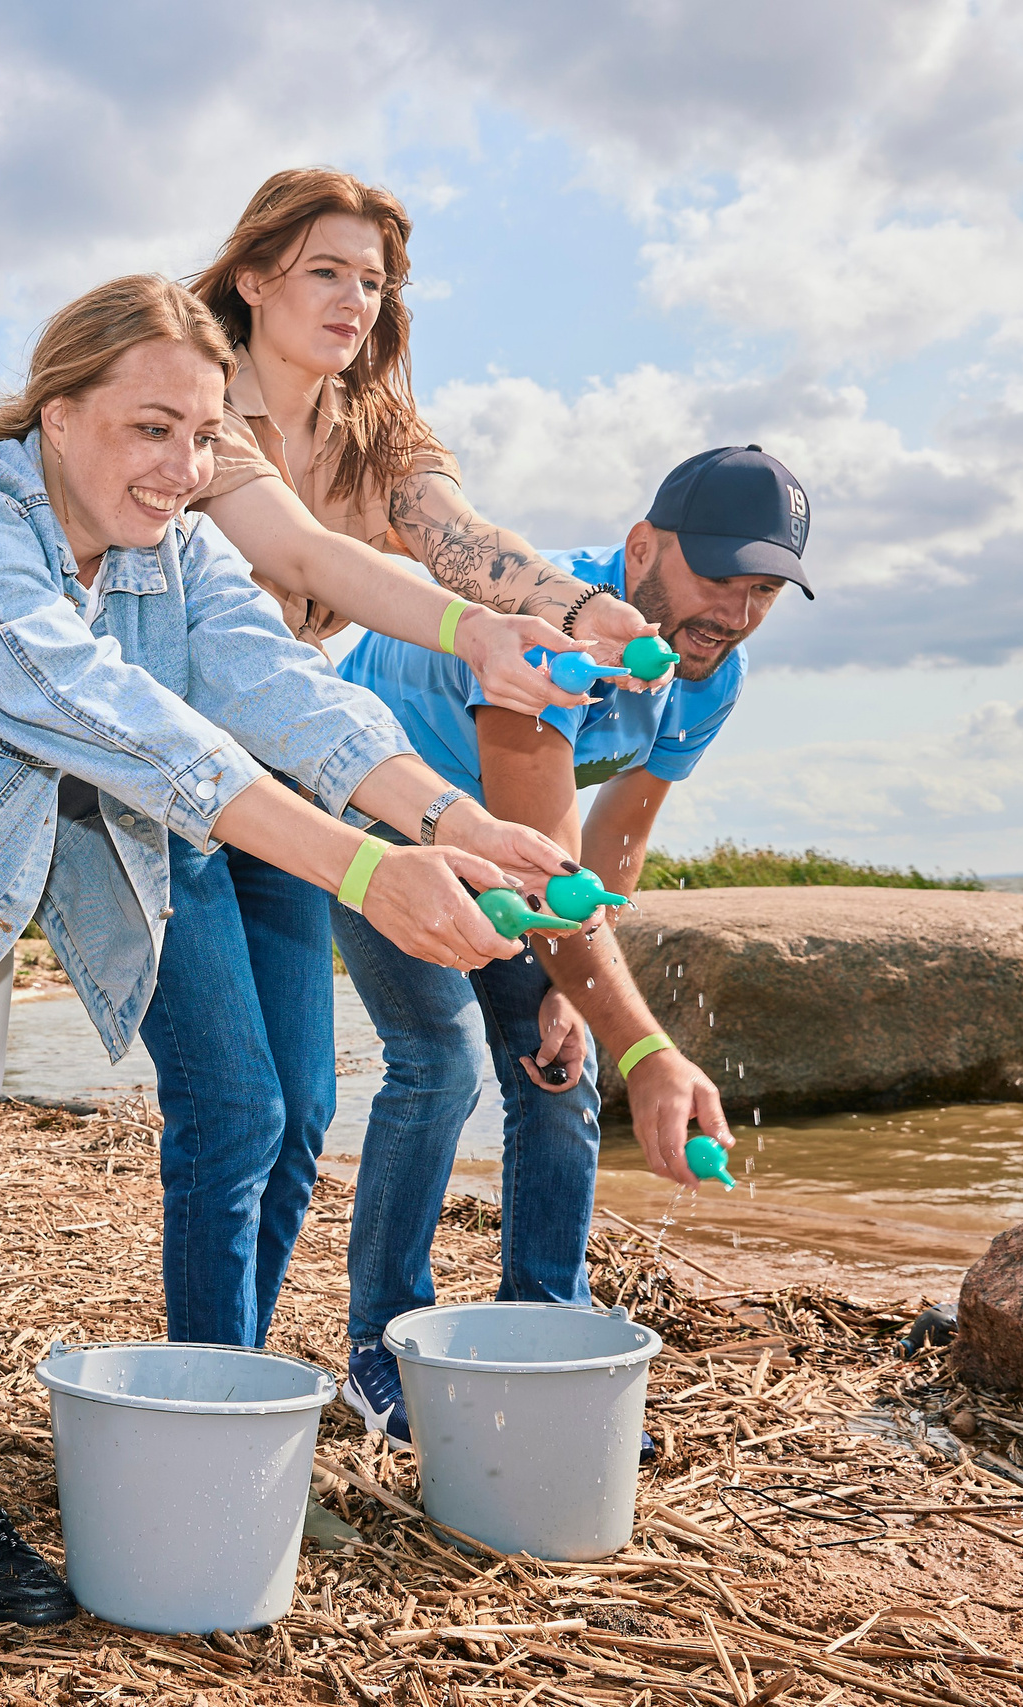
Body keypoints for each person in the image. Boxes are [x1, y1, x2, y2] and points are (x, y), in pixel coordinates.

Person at [0, 272, 572, 1622]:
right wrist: (361, 862)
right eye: (148, 428)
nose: (181, 466)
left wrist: (455, 816)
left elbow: (269, 673)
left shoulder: (163, 543)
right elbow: (107, 709)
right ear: (59, 414)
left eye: (202, 434)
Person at [122, 165, 668, 1356]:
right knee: (235, 1108)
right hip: (162, 775)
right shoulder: (198, 403)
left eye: (373, 281)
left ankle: (243, 1370)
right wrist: (479, 632)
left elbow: (461, 542)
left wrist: (579, 612)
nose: (354, 299)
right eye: (326, 270)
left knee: (303, 1109)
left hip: (292, 772)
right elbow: (311, 557)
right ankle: (206, 1394)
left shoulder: (377, 430)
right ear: (255, 275)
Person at [326, 446, 812, 1443]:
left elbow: (620, 832)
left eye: (761, 589)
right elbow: (550, 871)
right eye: (716, 577)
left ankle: (544, 1324)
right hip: (374, 805)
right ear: (641, 549)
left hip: (510, 840)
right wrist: (645, 1042)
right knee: (442, 1059)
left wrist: (576, 1001)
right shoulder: (554, 629)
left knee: (556, 1065)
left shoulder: (711, 672)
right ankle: (380, 1346)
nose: (734, 609)